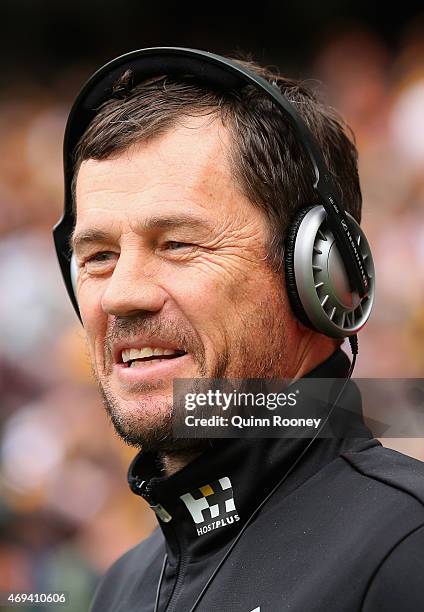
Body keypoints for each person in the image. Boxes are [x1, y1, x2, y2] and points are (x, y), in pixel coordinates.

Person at [53, 48, 424, 611]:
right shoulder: (121, 587)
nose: (122, 293)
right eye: (98, 255)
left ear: (321, 275)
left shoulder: (407, 549)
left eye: (177, 244)